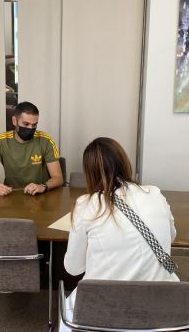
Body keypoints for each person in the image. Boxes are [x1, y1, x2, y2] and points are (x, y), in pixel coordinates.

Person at [60, 137, 178, 332]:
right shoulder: (154, 194)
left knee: (68, 313)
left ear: (89, 172)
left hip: (104, 310)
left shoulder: (86, 205)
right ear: (125, 162)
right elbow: (171, 236)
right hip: (161, 308)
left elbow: (73, 268)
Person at [0, 101, 63, 196]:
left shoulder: (45, 140)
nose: (31, 128)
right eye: (26, 124)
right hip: (10, 194)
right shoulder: (1, 141)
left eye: (34, 125)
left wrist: (43, 186)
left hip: (39, 195)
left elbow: (58, 178)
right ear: (14, 121)